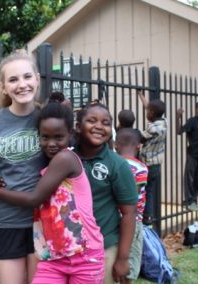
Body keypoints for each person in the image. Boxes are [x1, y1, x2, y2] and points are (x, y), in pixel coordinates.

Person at [0, 102, 105, 283]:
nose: (51, 144)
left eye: (58, 137)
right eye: (45, 137)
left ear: (71, 135)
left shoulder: (65, 158)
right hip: (53, 256)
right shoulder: (49, 163)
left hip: (84, 253)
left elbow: (35, 199)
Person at [0, 50, 47, 284]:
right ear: (4, 87)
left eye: (27, 77)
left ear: (37, 79)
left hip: (45, 219)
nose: (22, 85)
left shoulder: (48, 119)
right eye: (13, 80)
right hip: (7, 221)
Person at [74, 102, 138, 284]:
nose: (99, 127)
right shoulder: (66, 158)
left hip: (105, 246)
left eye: (106, 122)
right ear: (78, 127)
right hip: (70, 247)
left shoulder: (117, 165)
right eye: (92, 121)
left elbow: (129, 213)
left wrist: (122, 259)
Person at [114, 128, 148, 283]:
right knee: (129, 262)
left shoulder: (113, 164)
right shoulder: (141, 168)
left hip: (113, 220)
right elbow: (132, 198)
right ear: (139, 146)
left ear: (115, 145)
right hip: (133, 222)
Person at [137, 90, 167, 226]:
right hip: (157, 164)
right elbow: (149, 107)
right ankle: (148, 216)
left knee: (145, 191)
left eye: (147, 112)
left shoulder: (153, 129)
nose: (146, 113)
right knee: (149, 190)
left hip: (148, 164)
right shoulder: (164, 121)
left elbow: (140, 137)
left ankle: (146, 217)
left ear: (152, 114)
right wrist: (141, 96)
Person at [176, 101, 198, 211]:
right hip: (193, 154)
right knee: (189, 178)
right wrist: (178, 117)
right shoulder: (192, 121)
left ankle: (194, 200)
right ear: (196, 109)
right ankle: (189, 201)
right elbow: (179, 131)